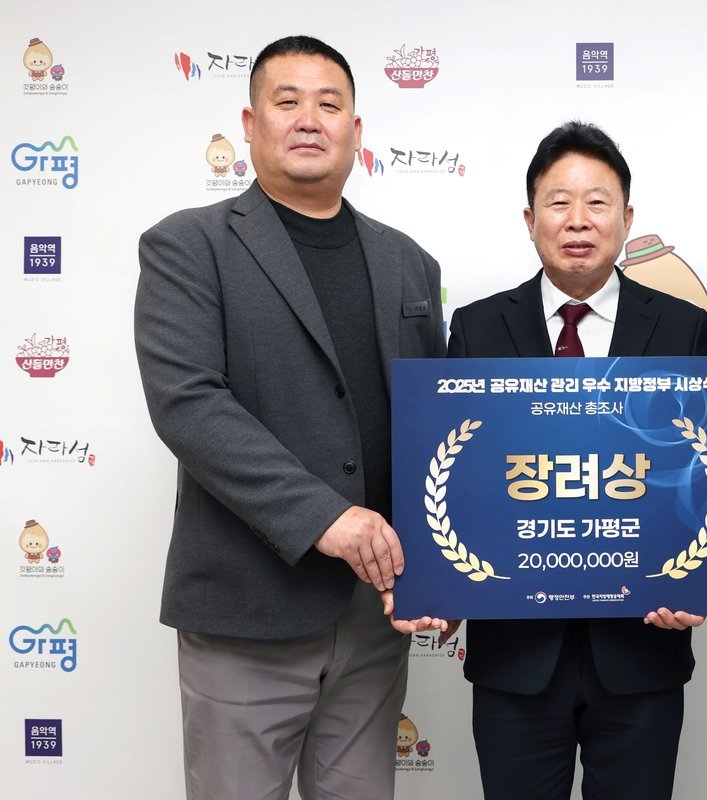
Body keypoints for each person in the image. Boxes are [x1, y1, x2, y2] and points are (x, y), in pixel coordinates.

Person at [133, 35, 446, 800]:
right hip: (249, 611)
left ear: (356, 131)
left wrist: (446, 570)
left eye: (329, 104)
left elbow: (436, 426)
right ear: (250, 124)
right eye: (288, 101)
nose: (310, 118)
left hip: (375, 616)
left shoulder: (410, 262)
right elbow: (189, 404)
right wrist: (325, 518)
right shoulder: (188, 246)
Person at [431, 121, 707, 799]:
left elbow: (703, 474)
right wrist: (442, 581)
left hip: (643, 651)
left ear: (627, 219)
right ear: (530, 219)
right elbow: (455, 475)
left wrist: (703, 581)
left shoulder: (681, 327)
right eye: (558, 202)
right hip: (515, 658)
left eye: (597, 202)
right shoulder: (477, 327)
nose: (578, 220)